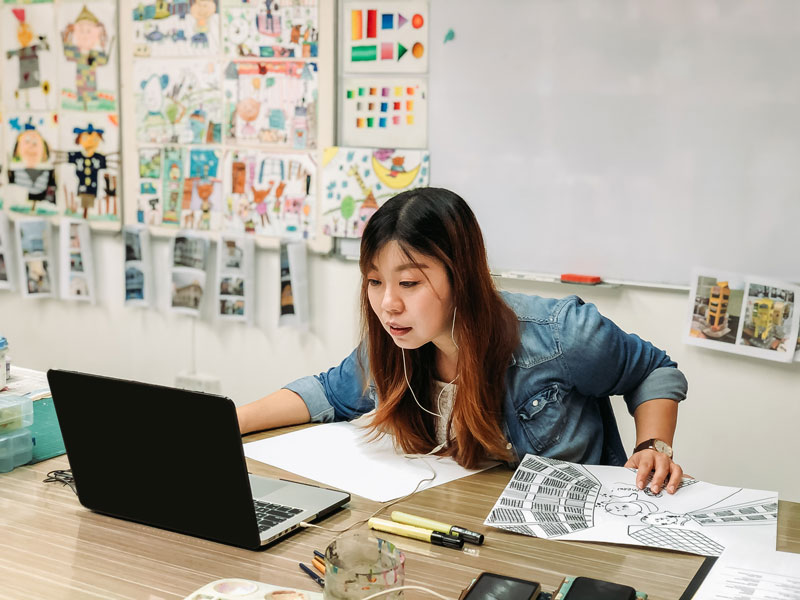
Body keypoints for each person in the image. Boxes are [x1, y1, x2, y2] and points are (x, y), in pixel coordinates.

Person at [237, 188, 688, 495]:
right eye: (374, 282)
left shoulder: (558, 333)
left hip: (568, 528)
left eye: (409, 283)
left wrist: (654, 447)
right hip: (462, 521)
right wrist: (226, 422)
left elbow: (654, 370)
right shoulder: (397, 343)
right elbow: (328, 392)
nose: (388, 304)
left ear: (460, 276)